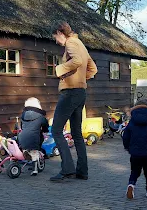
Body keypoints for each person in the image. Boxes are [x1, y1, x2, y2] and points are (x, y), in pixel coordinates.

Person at [50, 22, 98, 182]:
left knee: (56, 130)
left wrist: (60, 69)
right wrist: (81, 80)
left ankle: (67, 170)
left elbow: (76, 61)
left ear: (60, 32)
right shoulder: (81, 44)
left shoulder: (70, 43)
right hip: (81, 92)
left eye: (55, 37)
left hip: (70, 92)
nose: (56, 41)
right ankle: (82, 171)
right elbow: (93, 68)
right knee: (77, 133)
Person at [17, 97, 49, 176]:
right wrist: (45, 130)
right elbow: (45, 126)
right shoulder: (41, 117)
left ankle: (26, 152)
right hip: (34, 138)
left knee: (27, 147)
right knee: (35, 151)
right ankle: (35, 169)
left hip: (22, 137)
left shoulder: (23, 115)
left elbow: (21, 126)